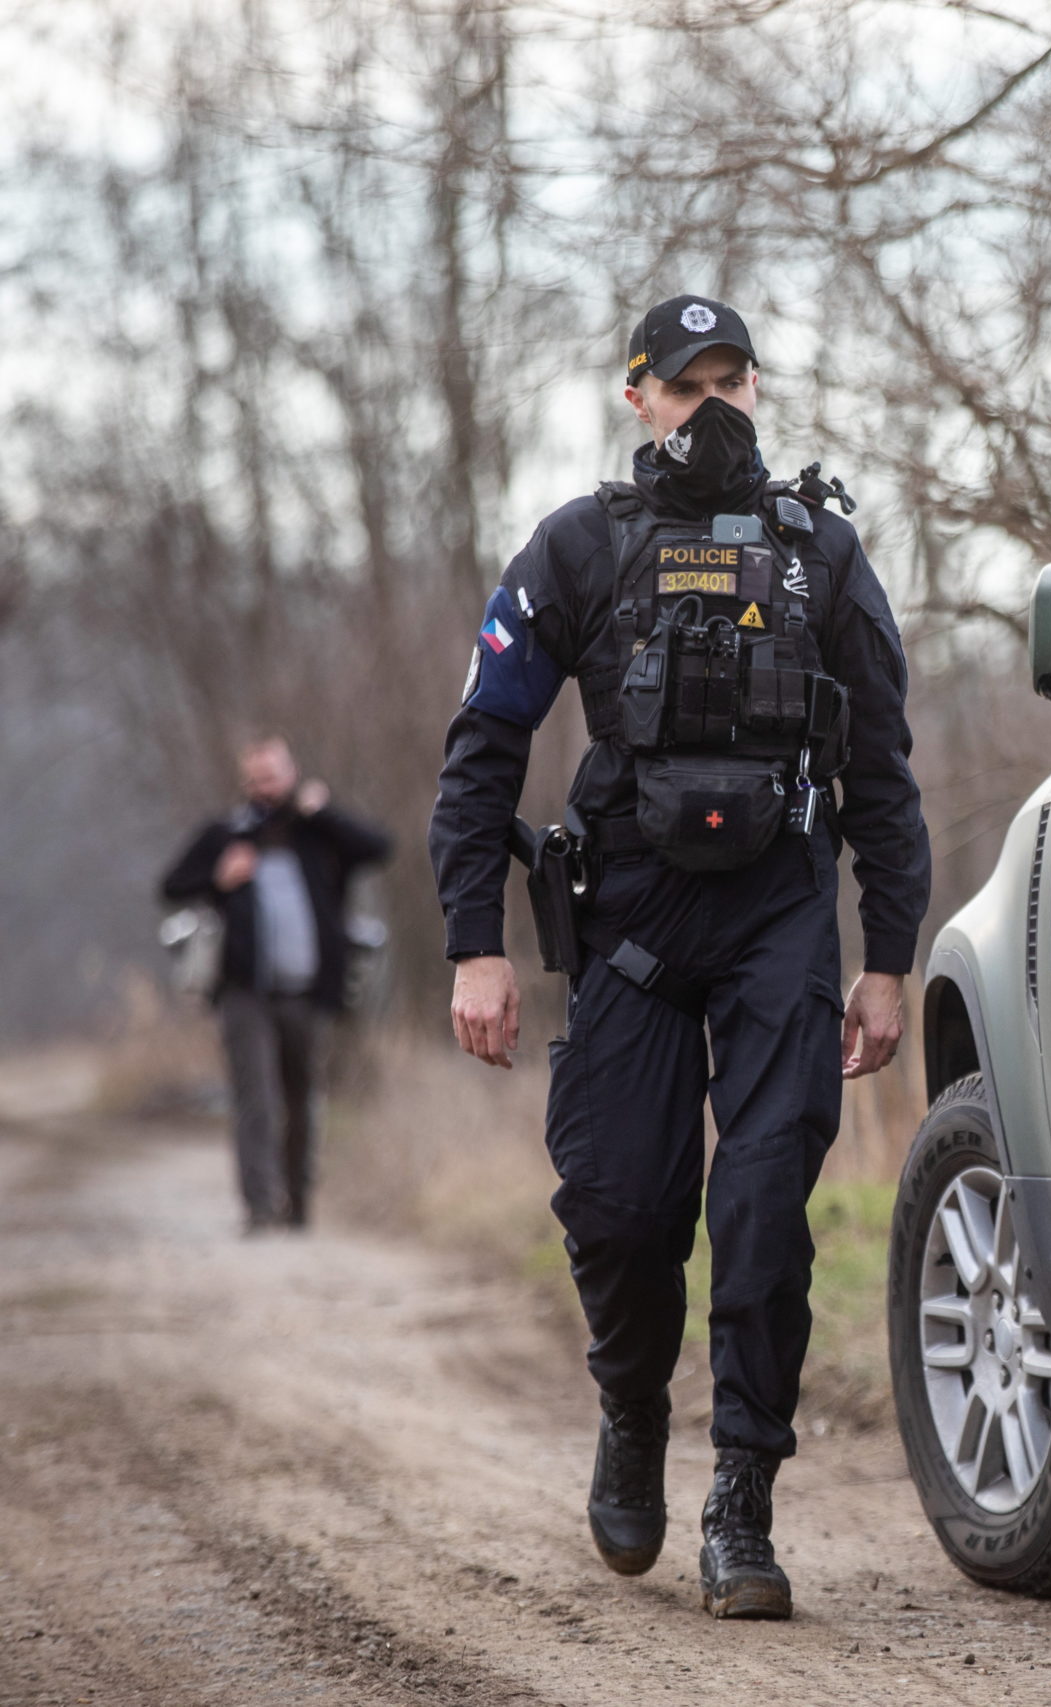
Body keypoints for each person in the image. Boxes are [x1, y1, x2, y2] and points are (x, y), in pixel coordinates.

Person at [428, 295, 929, 1623]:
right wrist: (474, 942)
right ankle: (633, 1408)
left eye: (733, 378)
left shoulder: (821, 551)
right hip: (635, 926)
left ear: (759, 389)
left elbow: (882, 763)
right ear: (637, 398)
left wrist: (888, 958)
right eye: (685, 381)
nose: (713, 401)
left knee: (761, 1218)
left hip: (777, 920)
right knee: (626, 1211)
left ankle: (743, 1504)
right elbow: (482, 746)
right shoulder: (580, 546)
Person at [160, 737, 391, 1231]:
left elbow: (379, 848)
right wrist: (218, 878)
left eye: (275, 776)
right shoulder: (226, 835)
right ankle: (260, 1209)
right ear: (246, 784)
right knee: (256, 1099)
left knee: (302, 1099)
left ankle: (299, 1205)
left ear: (292, 773)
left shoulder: (317, 835)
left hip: (308, 991)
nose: (268, 787)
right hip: (245, 991)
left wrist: (324, 813)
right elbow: (171, 885)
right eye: (258, 779)